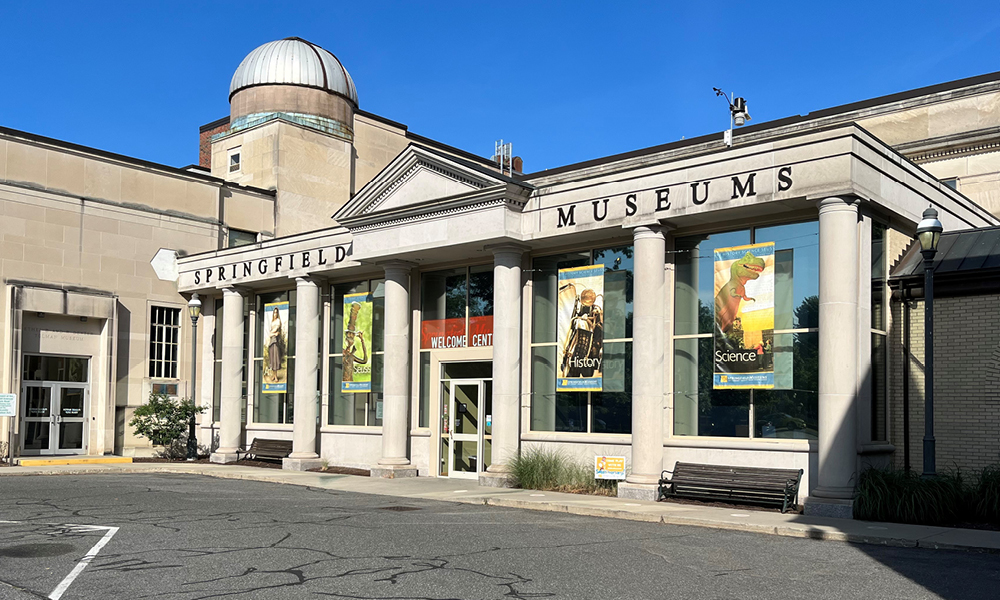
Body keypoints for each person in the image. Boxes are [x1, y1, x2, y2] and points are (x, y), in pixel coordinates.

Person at [268, 307, 284, 382]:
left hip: (276, 341)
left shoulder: (278, 321)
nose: (275, 314)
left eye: (276, 312)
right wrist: (273, 333)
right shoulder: (272, 322)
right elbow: (270, 333)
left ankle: (276, 376)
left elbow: (275, 330)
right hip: (271, 341)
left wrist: (273, 333)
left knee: (275, 358)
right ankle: (274, 376)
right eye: (274, 312)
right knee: (272, 358)